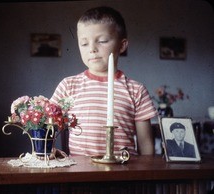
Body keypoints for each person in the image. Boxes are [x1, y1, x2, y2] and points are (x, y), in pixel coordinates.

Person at [50, 6, 157, 156]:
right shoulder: (68, 86)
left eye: (102, 41)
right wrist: (50, 151)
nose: (92, 49)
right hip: (80, 173)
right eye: (84, 43)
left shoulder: (136, 90)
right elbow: (48, 125)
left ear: (122, 45)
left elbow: (146, 144)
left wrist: (144, 176)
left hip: (124, 172)